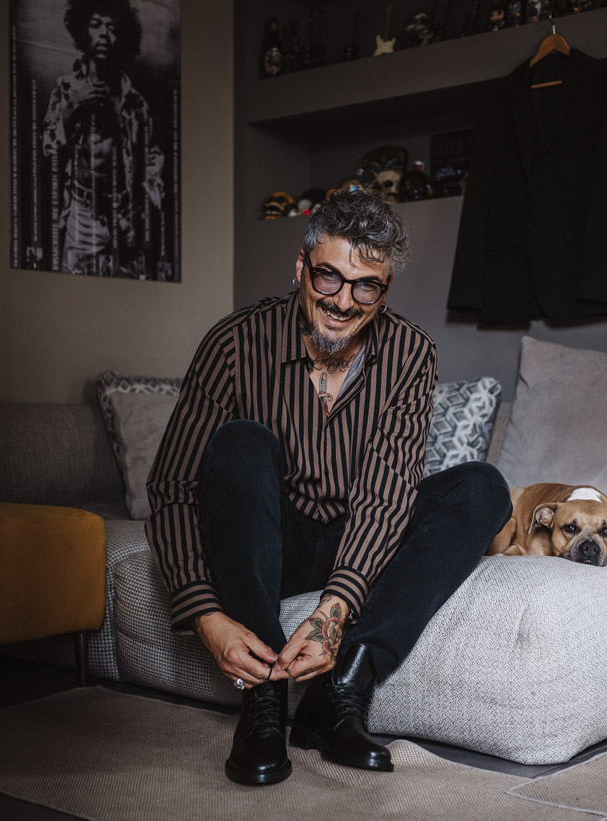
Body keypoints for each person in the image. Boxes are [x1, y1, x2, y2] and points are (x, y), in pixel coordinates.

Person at [146, 190, 511, 786]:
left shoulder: (411, 352)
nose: (343, 302)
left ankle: (340, 693)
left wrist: (334, 609)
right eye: (329, 277)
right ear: (301, 266)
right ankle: (264, 699)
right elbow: (173, 488)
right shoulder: (233, 342)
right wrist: (206, 613)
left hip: (359, 543)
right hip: (274, 542)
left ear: (385, 291)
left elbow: (388, 492)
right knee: (242, 441)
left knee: (483, 487)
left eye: (365, 286)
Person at [41, 0, 163, 279]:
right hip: (83, 215)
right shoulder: (66, 90)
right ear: (83, 30)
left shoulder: (135, 100)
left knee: (131, 292)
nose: (105, 34)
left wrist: (147, 201)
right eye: (96, 24)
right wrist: (73, 108)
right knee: (74, 291)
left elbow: (152, 154)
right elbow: (46, 149)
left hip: (127, 215)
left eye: (112, 27)